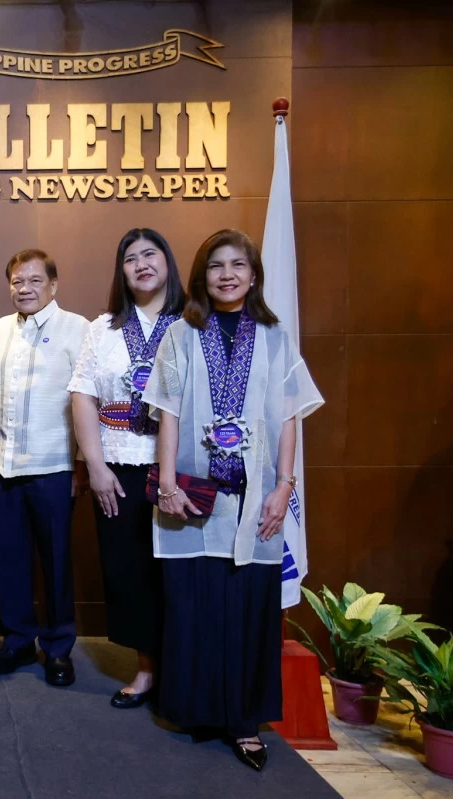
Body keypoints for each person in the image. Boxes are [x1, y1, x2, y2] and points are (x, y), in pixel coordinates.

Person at [142, 229, 323, 771]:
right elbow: (167, 411)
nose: (226, 274)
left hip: (255, 495)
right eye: (216, 265)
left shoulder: (273, 334)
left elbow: (289, 415)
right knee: (195, 605)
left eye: (237, 265)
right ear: (201, 275)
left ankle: (244, 721)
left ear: (253, 274)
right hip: (195, 497)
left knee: (247, 609)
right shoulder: (180, 332)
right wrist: (168, 484)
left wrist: (284, 485)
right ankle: (195, 710)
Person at [68, 228, 186, 708]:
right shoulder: (104, 329)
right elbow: (82, 395)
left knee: (177, 575)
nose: (141, 264)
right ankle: (146, 671)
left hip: (178, 471)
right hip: (119, 466)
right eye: (130, 258)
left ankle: (184, 672)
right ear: (121, 271)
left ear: (167, 262)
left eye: (150, 254)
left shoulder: (192, 323)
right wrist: (94, 466)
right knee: (130, 573)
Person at [0, 249, 87, 687]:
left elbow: (89, 398)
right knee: (10, 561)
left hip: (54, 466)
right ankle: (18, 641)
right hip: (5, 468)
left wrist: (82, 463)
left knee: (56, 563)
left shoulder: (77, 329)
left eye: (33, 281)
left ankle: (59, 648)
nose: (24, 289)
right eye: (16, 281)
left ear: (53, 285)